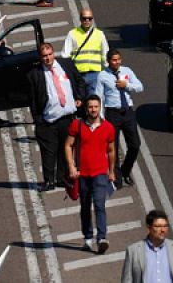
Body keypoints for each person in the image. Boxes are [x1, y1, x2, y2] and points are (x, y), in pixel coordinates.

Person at [67, 95, 119, 254]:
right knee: (84, 207)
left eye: (96, 107)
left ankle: (102, 238)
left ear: (100, 107)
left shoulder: (108, 127)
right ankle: (87, 238)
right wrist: (71, 166)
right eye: (90, 107)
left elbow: (111, 150)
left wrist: (111, 171)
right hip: (82, 174)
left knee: (99, 205)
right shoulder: (77, 125)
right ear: (86, 108)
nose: (93, 110)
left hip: (100, 174)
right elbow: (68, 145)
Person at [29, 42, 85, 191]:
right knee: (49, 151)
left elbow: (80, 81)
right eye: (44, 56)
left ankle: (61, 178)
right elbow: (33, 99)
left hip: (67, 117)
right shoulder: (35, 74)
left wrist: (79, 97)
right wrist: (38, 119)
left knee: (64, 148)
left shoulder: (66, 64)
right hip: (49, 120)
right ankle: (49, 181)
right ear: (40, 58)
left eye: (49, 54)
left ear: (53, 53)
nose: (48, 58)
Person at [93, 49, 144, 184]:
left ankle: (125, 170)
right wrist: (100, 117)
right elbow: (99, 97)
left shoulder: (127, 71)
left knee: (135, 145)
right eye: (114, 60)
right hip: (112, 113)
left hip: (127, 112)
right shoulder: (102, 76)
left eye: (118, 59)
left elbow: (140, 87)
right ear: (108, 61)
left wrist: (127, 85)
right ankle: (116, 175)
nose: (117, 62)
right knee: (112, 147)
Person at [121, 210, 173, 283]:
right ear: (149, 228)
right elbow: (127, 280)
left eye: (165, 226)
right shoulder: (133, 251)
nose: (163, 230)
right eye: (158, 226)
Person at [62, 8, 110, 76]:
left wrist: (108, 72)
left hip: (96, 73)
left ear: (92, 19)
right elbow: (65, 55)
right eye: (84, 18)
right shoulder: (72, 34)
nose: (87, 20)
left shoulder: (99, 34)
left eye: (89, 18)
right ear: (80, 19)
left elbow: (105, 54)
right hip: (78, 73)